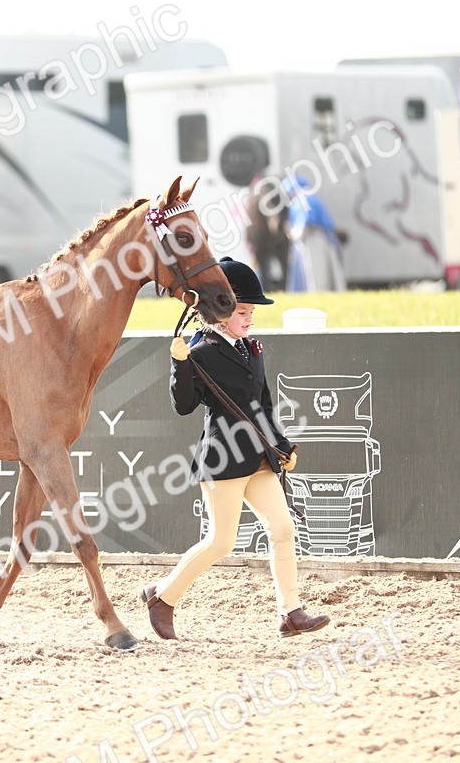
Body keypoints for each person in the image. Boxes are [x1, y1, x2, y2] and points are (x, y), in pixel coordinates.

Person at [140, 257, 329, 640]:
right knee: (221, 541)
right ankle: (162, 597)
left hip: (258, 460)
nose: (250, 318)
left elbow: (263, 404)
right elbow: (185, 405)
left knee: (282, 528)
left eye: (252, 312)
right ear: (221, 313)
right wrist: (179, 365)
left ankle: (290, 613)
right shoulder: (200, 350)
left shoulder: (252, 349)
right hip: (222, 460)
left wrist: (281, 445)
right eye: (244, 311)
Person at [282, 176, 346, 292]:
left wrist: (294, 232)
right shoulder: (308, 197)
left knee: (316, 270)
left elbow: (305, 222)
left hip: (313, 237)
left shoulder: (303, 199)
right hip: (314, 237)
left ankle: (318, 292)